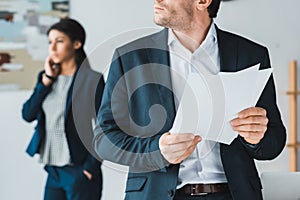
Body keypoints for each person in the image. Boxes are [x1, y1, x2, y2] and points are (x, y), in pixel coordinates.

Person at [93, 0, 286, 199]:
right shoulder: (129, 57)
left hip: (234, 194)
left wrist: (256, 138)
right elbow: (104, 140)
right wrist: (157, 152)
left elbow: (275, 142)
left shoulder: (251, 54)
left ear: (202, 1)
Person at [22, 18, 104, 200]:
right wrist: (46, 82)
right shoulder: (45, 78)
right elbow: (28, 114)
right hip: (53, 171)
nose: (52, 48)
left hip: (79, 169)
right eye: (50, 42)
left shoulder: (92, 79)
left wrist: (90, 168)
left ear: (76, 44)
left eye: (59, 41)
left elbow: (105, 127)